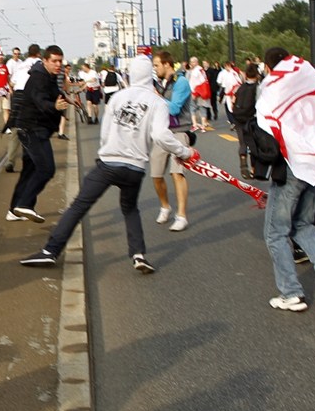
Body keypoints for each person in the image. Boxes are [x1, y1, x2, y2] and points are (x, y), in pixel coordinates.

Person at [18, 55, 197, 272]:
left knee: (79, 206)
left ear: (130, 74)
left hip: (109, 162)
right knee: (130, 209)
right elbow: (161, 135)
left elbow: (105, 131)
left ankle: (50, 251)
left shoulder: (118, 98)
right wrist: (184, 152)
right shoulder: (157, 102)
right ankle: (139, 255)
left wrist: (105, 151)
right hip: (135, 167)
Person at [258, 46, 315, 312]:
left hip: (292, 166)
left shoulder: (275, 91)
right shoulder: (309, 87)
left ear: (269, 68)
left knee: (275, 232)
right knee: (302, 222)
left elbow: (265, 130)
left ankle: (290, 292)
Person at [8, 45, 69, 223]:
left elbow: (53, 94)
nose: (58, 65)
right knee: (46, 169)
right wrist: (54, 107)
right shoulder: (38, 78)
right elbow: (40, 100)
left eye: (60, 61)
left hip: (33, 128)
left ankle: (14, 210)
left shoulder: (49, 76)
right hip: (32, 130)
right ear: (45, 61)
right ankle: (25, 204)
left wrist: (65, 98)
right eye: (54, 61)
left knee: (29, 170)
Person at [150, 51, 193, 232]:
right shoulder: (158, 83)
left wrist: (156, 96)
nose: (155, 68)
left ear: (167, 64)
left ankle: (181, 215)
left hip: (179, 132)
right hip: (161, 132)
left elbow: (174, 108)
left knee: (177, 173)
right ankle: (165, 206)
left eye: (157, 65)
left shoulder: (180, 82)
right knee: (156, 175)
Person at [3, 44, 41, 176]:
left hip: (17, 97)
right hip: (30, 97)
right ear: (38, 53)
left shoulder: (20, 65)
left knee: (15, 130)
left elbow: (12, 83)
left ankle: (10, 161)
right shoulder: (39, 64)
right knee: (32, 129)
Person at [231, 62, 260, 179]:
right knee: (253, 143)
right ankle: (254, 169)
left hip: (238, 118)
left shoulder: (240, 87)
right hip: (251, 118)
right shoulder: (257, 88)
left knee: (242, 142)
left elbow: (233, 101)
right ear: (257, 75)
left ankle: (243, 162)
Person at [187, 57, 211, 132]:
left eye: (193, 62)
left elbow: (193, 83)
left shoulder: (195, 71)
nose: (191, 63)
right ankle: (203, 125)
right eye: (191, 62)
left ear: (196, 62)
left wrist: (194, 92)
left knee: (192, 108)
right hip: (203, 92)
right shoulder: (201, 70)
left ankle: (194, 125)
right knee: (202, 108)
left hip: (196, 92)